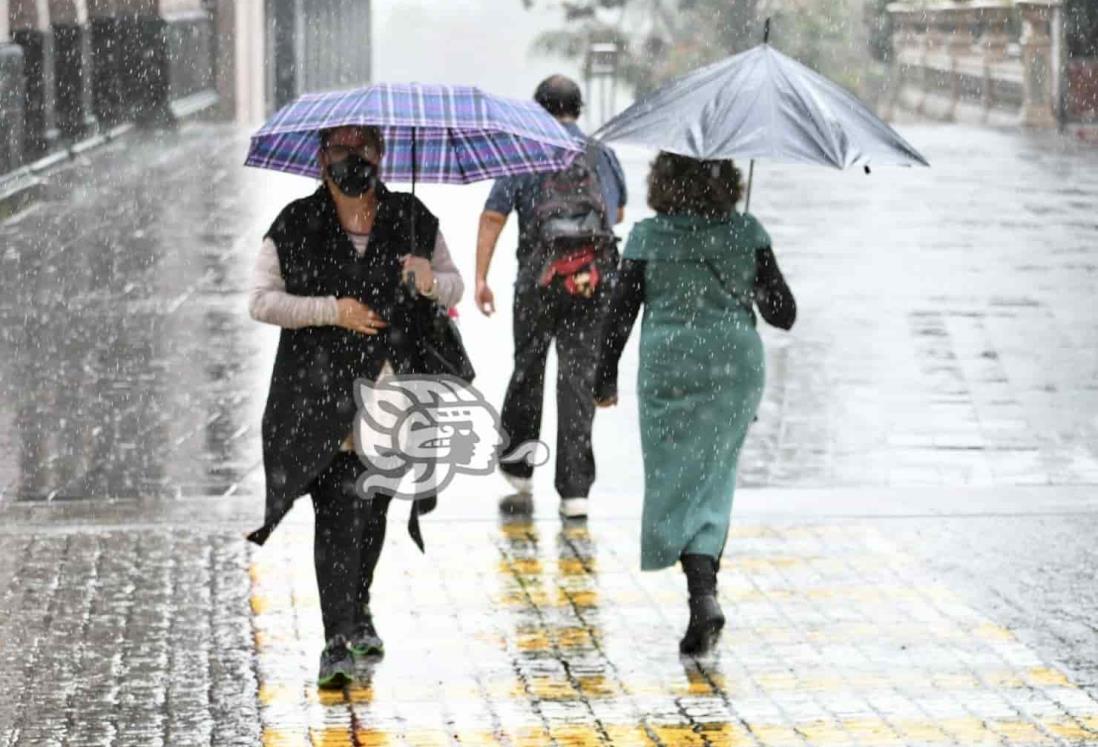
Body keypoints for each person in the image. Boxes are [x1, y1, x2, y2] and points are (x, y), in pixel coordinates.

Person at [246, 125, 464, 687]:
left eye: (363, 149)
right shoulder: (295, 224)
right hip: (321, 397)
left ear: (381, 155)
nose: (353, 160)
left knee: (373, 512)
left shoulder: (412, 218)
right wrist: (332, 310)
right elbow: (262, 302)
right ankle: (336, 638)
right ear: (322, 158)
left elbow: (454, 284)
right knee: (337, 513)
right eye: (342, 150)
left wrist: (429, 282)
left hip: (393, 394)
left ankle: (359, 608)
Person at [596, 152, 795, 655]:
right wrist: (747, 270)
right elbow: (784, 314)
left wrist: (603, 377)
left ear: (662, 183)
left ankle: (701, 595)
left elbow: (619, 315)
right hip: (733, 368)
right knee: (713, 478)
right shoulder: (747, 233)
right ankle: (704, 593)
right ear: (726, 180)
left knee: (675, 481)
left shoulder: (646, 238)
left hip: (671, 370)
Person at [474, 75, 628, 519]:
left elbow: (492, 216)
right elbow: (616, 212)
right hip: (591, 281)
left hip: (537, 281)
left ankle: (520, 467)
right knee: (577, 377)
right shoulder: (601, 154)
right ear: (578, 109)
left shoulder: (524, 151)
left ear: (537, 110)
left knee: (529, 367)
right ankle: (575, 489)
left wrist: (482, 277)